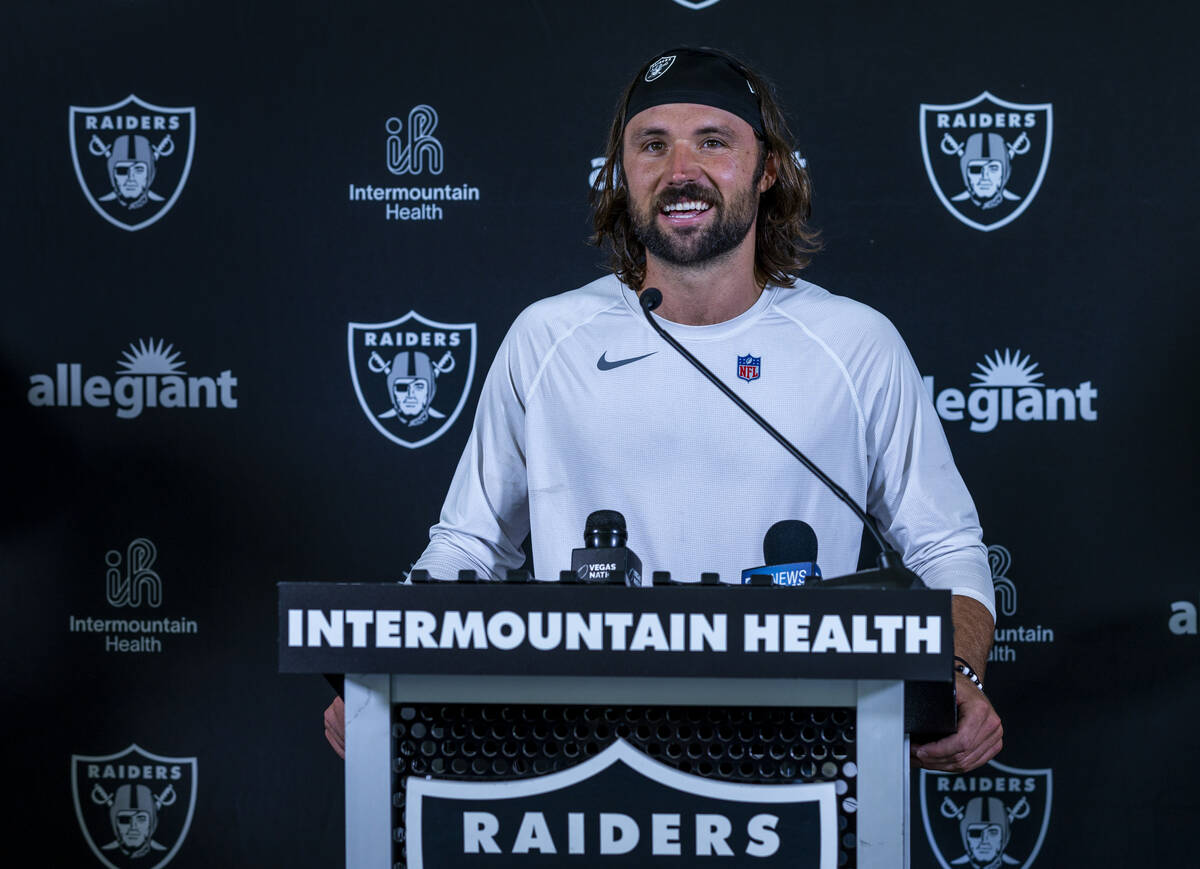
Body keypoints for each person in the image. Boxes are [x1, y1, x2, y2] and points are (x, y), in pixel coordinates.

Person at [325, 46, 1002, 774]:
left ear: (768, 167)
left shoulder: (855, 343)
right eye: (653, 145)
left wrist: (960, 672)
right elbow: (467, 549)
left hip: (803, 756)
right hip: (581, 762)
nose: (681, 170)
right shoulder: (547, 338)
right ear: (623, 173)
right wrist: (383, 675)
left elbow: (945, 547)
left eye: (713, 141)